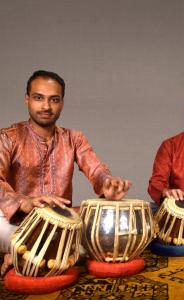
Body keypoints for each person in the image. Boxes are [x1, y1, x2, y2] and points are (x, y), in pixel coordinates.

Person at [0, 70, 132, 275]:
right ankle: (34, 251)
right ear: (27, 99)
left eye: (54, 100)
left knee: (111, 220)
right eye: (38, 98)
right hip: (18, 225)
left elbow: (96, 170)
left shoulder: (74, 139)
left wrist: (108, 183)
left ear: (62, 102)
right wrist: (23, 201)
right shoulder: (9, 137)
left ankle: (28, 255)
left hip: (62, 226)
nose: (46, 106)